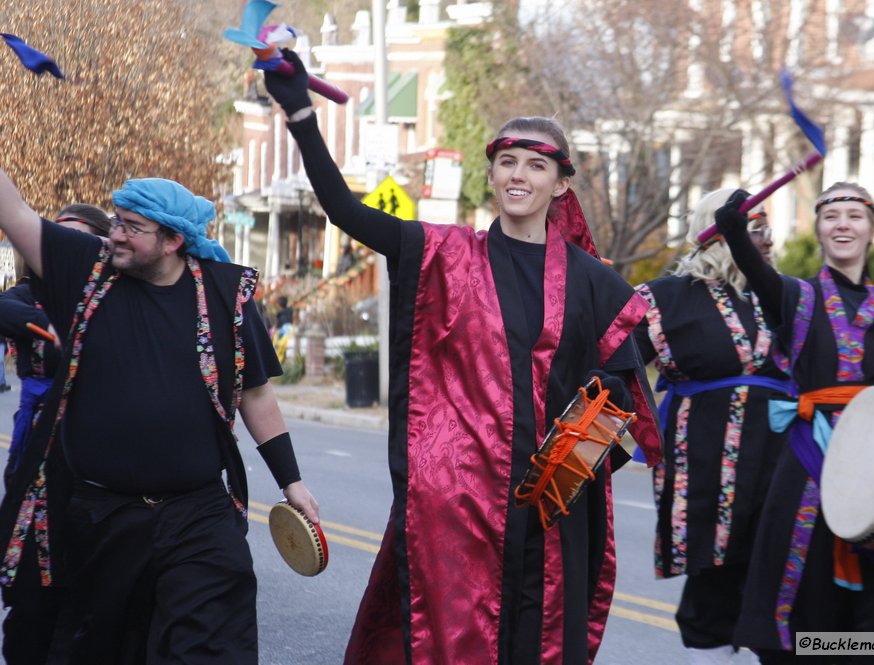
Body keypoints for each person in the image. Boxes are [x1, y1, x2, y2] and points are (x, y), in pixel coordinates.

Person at [264, 49, 662, 664]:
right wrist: (299, 113)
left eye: (535, 164)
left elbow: (627, 391)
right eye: (507, 162)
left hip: (553, 515)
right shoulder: (443, 253)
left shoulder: (594, 282)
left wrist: (588, 435)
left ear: (560, 183)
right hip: (459, 508)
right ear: (493, 175)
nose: (519, 175)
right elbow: (344, 211)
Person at [0, 173, 319, 663]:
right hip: (102, 518)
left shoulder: (224, 295)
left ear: (172, 241)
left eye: (131, 226)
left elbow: (255, 395)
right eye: (116, 221)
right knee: (108, 649)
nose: (116, 235)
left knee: (210, 647)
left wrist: (291, 482)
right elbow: (14, 212)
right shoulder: (86, 269)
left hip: (199, 515)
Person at [715, 182, 874, 663]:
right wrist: (735, 234)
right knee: (806, 599)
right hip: (811, 465)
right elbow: (759, 275)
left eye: (855, 216)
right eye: (832, 217)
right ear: (818, 230)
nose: (843, 225)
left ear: (872, 230)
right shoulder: (798, 296)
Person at [634, 193, 789, 665]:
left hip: (780, 463)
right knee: (715, 587)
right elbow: (615, 374)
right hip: (704, 463)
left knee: (776, 588)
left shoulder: (785, 295)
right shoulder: (664, 298)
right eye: (750, 225)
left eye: (764, 225)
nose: (762, 236)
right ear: (714, 229)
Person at [0, 203, 110, 665]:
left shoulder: (112, 295)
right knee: (31, 562)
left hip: (95, 443)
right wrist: (47, 329)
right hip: (38, 439)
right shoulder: (30, 294)